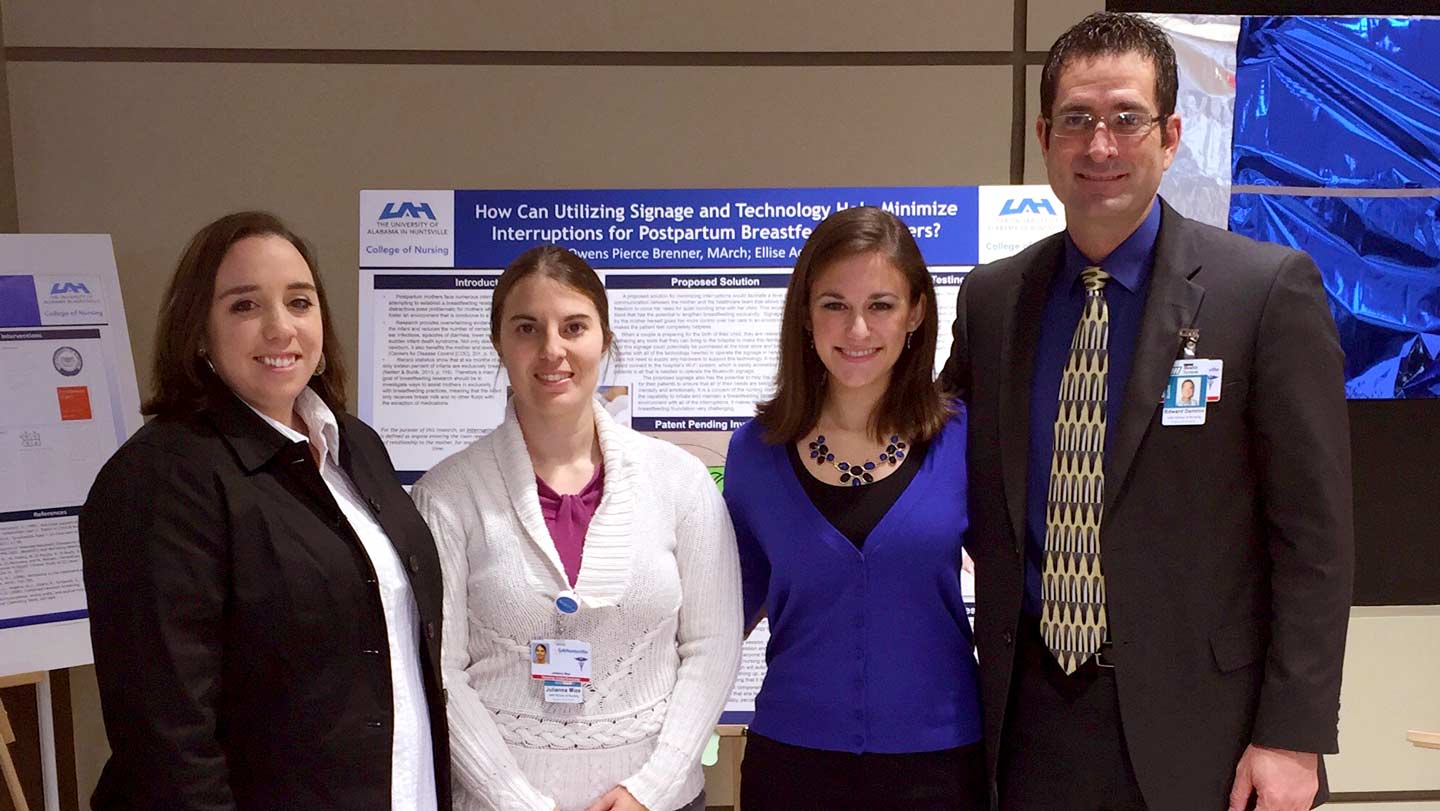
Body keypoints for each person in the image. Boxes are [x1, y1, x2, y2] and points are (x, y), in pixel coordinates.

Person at [941, 12, 1354, 811]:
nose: (1101, 146)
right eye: (1078, 121)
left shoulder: (1263, 293)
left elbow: (1316, 540)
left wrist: (1293, 733)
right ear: (1044, 136)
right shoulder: (993, 301)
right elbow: (939, 472)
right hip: (1028, 722)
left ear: (1169, 135)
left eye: (1127, 119)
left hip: (1211, 733)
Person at [79, 211, 450, 809]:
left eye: (299, 302)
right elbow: (167, 738)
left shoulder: (355, 445)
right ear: (197, 331)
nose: (281, 328)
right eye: (245, 306)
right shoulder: (161, 479)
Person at [412, 245, 741, 811]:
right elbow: (440, 673)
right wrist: (514, 799)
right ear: (499, 343)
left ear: (604, 340)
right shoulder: (446, 495)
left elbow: (712, 647)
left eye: (574, 326)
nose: (552, 349)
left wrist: (651, 789)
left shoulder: (682, 482)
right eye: (527, 328)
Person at [725, 206, 986, 810]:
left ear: (917, 312)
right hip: (792, 764)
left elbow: (1023, 583)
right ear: (806, 314)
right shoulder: (755, 454)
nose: (858, 330)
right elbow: (722, 612)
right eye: (835, 304)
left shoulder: (964, 442)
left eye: (882, 305)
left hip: (939, 766)